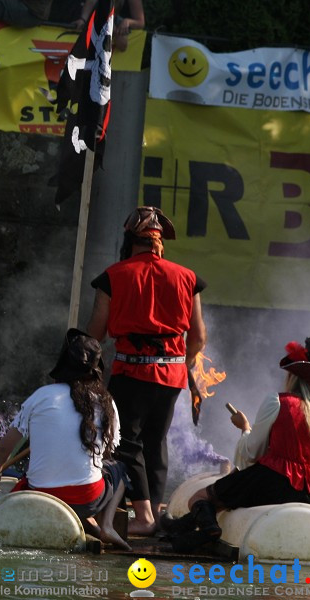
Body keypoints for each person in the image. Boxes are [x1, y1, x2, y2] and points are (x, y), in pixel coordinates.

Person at [86, 206, 207, 535]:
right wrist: (185, 362)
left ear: (130, 241)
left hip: (131, 373)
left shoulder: (113, 276)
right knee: (157, 442)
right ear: (159, 243)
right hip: (172, 376)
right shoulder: (187, 278)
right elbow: (198, 338)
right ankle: (152, 511)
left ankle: (144, 518)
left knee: (128, 442)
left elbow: (94, 334)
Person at [161, 338, 310, 551]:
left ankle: (209, 531)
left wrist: (244, 427)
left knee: (201, 497)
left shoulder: (277, 402)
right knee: (227, 496)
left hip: (271, 480)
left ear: (292, 376)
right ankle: (183, 528)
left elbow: (252, 451)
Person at [0, 329, 130, 549]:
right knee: (119, 469)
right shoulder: (106, 402)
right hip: (87, 501)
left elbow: (5, 446)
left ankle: (93, 526)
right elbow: (105, 453)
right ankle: (105, 525)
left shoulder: (41, 396)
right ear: (96, 369)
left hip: (40, 497)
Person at [75, 0, 144, 51]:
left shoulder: (118, 21)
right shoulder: (97, 15)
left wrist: (117, 30)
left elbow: (123, 46)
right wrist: (83, 20)